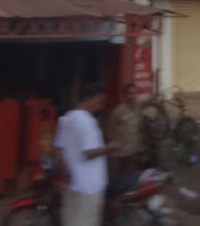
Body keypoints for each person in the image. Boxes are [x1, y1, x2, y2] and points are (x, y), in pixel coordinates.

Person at [55, 84, 117, 226]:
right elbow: (88, 154)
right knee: (86, 221)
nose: (101, 106)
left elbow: (58, 148)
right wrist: (109, 147)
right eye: (100, 101)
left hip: (72, 184)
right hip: (90, 186)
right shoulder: (87, 121)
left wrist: (66, 170)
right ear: (89, 99)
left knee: (71, 220)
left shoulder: (67, 118)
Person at [106, 82, 143, 179]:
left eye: (134, 93)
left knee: (130, 180)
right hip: (119, 153)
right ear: (125, 95)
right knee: (116, 181)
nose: (132, 96)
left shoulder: (138, 109)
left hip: (133, 151)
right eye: (130, 93)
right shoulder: (118, 111)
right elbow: (109, 129)